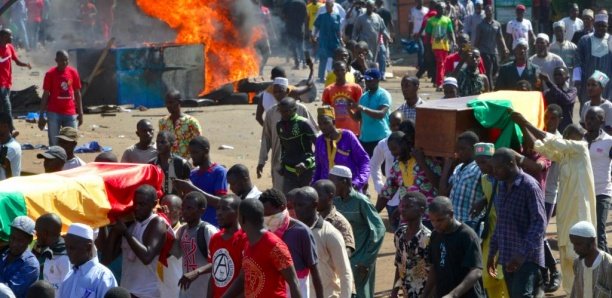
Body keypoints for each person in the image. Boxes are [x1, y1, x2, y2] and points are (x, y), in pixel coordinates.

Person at [513, 111, 598, 293]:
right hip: (566, 211)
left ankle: (587, 290)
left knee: (579, 252)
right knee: (568, 253)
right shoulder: (565, 155)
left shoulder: (581, 148)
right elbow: (539, 146)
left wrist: (526, 122)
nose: (580, 138)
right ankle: (574, 291)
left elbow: (550, 139)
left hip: (580, 211)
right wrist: (521, 125)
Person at [487, 148, 546, 297]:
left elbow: (539, 223)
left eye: (498, 168)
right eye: (493, 168)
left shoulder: (529, 186)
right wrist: (492, 253)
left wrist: (521, 254)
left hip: (527, 258)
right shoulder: (501, 185)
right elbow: (501, 223)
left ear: (511, 163)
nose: (494, 172)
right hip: (507, 255)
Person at [221, 198, 302, 298]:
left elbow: (294, 282)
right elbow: (242, 278)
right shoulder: (248, 243)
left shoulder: (274, 245)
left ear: (242, 219)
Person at [330, 165, 385, 297]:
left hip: (360, 259)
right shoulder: (335, 202)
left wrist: (366, 260)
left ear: (344, 181)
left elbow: (379, 229)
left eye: (333, 181)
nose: (331, 186)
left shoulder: (361, 201)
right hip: (343, 257)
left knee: (361, 293)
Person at [258, 188, 323, 297]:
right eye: (264, 215)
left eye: (270, 215)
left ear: (283, 208)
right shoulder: (262, 231)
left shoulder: (301, 231)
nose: (267, 219)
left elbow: (315, 271)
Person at [178, 196, 247, 298]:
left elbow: (245, 279)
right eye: (218, 208)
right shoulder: (216, 239)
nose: (219, 213)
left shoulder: (246, 239)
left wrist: (197, 272)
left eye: (225, 209)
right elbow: (214, 273)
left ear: (238, 212)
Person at [108, 184, 169, 298]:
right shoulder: (131, 224)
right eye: (135, 203)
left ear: (154, 204)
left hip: (146, 294)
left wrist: (125, 233)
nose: (137, 207)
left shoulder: (157, 223)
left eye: (142, 204)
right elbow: (107, 259)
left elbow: (147, 256)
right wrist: (114, 230)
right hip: (126, 292)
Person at [293, 187, 353, 298]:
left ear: (315, 205)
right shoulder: (292, 232)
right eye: (295, 205)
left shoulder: (330, 234)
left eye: (301, 205)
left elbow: (345, 273)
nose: (297, 209)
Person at [258, 79, 317, 191]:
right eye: (275, 92)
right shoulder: (271, 113)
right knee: (282, 195)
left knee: (305, 196)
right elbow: (266, 138)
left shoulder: (301, 111)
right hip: (281, 164)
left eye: (280, 91)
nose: (277, 94)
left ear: (287, 91)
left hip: (304, 166)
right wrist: (261, 161)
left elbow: (316, 136)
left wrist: (309, 161)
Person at [422, 196, 484, 298]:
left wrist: (453, 294)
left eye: (440, 220)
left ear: (451, 214)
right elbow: (434, 267)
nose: (435, 224)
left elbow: (476, 271)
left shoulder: (466, 235)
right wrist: (425, 294)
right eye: (432, 220)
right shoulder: (435, 235)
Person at [378, 130, 441, 230]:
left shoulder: (427, 160)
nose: (393, 153)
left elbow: (439, 185)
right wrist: (373, 213)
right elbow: (386, 193)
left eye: (395, 149)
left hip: (429, 219)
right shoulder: (397, 166)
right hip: (407, 220)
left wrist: (422, 162)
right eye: (391, 150)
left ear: (405, 145)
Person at [470, 143, 508, 297]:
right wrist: (483, 200)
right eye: (478, 163)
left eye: (484, 162)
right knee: (488, 275)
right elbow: (491, 195)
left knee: (504, 277)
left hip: (507, 235)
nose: (481, 166)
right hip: (491, 235)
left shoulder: (506, 178)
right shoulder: (485, 179)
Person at [172, 192, 218, 297]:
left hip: (204, 291)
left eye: (189, 208)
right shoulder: (182, 230)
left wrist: (197, 272)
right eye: (183, 208)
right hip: (186, 291)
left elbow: (218, 261)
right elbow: (174, 254)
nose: (184, 211)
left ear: (201, 210)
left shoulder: (207, 230)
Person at [313, 106, 370, 190]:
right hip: (327, 190)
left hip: (349, 188)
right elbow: (318, 167)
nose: (322, 127)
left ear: (333, 122)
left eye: (326, 123)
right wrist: (314, 185)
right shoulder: (319, 141)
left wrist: (358, 182)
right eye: (320, 123)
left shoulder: (347, 136)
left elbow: (364, 161)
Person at [58, 223, 117, 298]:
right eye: (67, 247)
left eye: (72, 248)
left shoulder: (104, 277)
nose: (68, 252)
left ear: (88, 247)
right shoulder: (69, 276)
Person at [38, 51, 83, 146]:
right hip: (54, 113)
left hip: (70, 113)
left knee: (71, 142)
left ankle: (68, 161)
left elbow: (77, 93)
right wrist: (41, 115)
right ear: (56, 60)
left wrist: (80, 113)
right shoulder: (50, 74)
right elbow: (45, 95)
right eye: (61, 60)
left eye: (66, 60)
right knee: (54, 144)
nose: (64, 63)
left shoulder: (73, 72)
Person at [391, 192, 431, 298]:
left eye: (408, 206)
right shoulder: (399, 234)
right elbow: (399, 264)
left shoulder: (427, 238)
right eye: (402, 206)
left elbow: (433, 273)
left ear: (421, 210)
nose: (403, 209)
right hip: (406, 292)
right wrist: (394, 291)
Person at [583, 106, 612, 253]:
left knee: (599, 232)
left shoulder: (609, 142)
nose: (589, 121)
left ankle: (605, 271)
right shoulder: (580, 140)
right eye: (587, 118)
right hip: (583, 193)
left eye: (593, 118)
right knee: (585, 232)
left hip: (601, 193)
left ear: (601, 120)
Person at [440, 131, 483, 226]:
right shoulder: (458, 168)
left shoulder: (479, 168)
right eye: (458, 149)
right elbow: (443, 193)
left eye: (463, 149)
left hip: (471, 223)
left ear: (474, 148)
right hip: (454, 224)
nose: (459, 152)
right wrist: (446, 167)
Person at [276, 97, 317, 194]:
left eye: (286, 111)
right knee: (290, 201)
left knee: (308, 199)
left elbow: (320, 147)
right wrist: (283, 164)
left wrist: (307, 162)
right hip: (289, 172)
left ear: (294, 110)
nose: (283, 114)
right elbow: (283, 146)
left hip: (306, 171)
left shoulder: (304, 123)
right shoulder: (279, 125)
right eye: (281, 111)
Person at [187, 136, 227, 227]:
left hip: (212, 226)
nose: (192, 156)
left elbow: (221, 202)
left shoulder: (219, 172)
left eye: (195, 152)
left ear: (206, 151)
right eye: (191, 153)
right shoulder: (192, 174)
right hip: (194, 228)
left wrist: (191, 188)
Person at [575, 13, 611, 107]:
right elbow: (577, 61)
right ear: (594, 25)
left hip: (607, 84)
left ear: (607, 26)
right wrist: (577, 79)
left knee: (606, 109)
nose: (601, 28)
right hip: (587, 83)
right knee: (587, 109)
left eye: (604, 26)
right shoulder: (584, 40)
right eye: (599, 25)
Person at [352, 68, 391, 156]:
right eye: (365, 79)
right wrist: (348, 109)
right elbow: (358, 117)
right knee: (367, 168)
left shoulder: (383, 95)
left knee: (383, 168)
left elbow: (381, 114)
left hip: (381, 138)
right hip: (365, 139)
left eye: (369, 79)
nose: (367, 81)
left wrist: (362, 108)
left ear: (377, 80)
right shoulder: (363, 96)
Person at [312, 179, 356, 256]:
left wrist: (335, 258)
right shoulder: (310, 216)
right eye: (313, 196)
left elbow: (348, 248)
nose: (315, 200)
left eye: (318, 196)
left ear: (330, 197)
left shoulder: (340, 223)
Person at [568, 221, 612, 297]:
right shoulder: (577, 264)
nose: (575, 248)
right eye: (573, 244)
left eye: (578, 244)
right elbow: (575, 290)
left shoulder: (608, 265)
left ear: (592, 241)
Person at [0, 29, 30, 136]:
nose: (11, 38)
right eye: (9, 36)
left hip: (7, 82)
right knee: (7, 105)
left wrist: (26, 64)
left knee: (3, 106)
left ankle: (4, 130)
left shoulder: (10, 48)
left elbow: (16, 61)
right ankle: (12, 129)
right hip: (1, 84)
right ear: (3, 36)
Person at [0, 216, 39, 298]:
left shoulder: (31, 265)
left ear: (30, 240)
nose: (14, 243)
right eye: (12, 238)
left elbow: (8, 292)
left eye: (20, 240)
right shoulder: (4, 254)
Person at [322, 60, 363, 136]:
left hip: (353, 129)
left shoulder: (355, 88)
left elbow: (360, 108)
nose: (340, 72)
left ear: (347, 70)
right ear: (334, 72)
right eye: (337, 70)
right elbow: (325, 110)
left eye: (342, 70)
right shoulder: (328, 90)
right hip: (335, 130)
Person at [158, 89, 202, 159]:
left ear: (179, 102)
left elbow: (199, 145)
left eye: (171, 102)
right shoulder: (163, 122)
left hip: (187, 163)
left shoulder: (191, 122)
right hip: (169, 163)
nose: (168, 105)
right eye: (167, 103)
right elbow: (161, 143)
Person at [352, 0, 391, 76]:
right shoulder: (361, 18)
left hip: (375, 43)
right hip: (364, 44)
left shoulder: (377, 17)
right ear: (366, 7)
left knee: (373, 59)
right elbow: (355, 30)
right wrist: (354, 41)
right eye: (368, 6)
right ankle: (366, 74)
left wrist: (388, 37)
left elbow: (383, 29)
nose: (370, 8)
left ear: (374, 7)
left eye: (371, 6)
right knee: (367, 58)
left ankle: (374, 75)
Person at [33, 213, 70, 291]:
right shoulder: (40, 249)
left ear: (45, 233)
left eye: (37, 231)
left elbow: (68, 290)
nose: (36, 235)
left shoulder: (65, 258)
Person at [149, 131, 191, 195]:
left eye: (163, 142)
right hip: (157, 202)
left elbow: (189, 187)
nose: (159, 145)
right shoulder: (152, 164)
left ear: (172, 144)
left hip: (177, 202)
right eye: (157, 142)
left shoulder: (182, 163)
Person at [425, 1, 455, 88]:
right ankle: (440, 83)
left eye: (443, 8)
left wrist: (454, 41)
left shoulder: (447, 20)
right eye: (440, 8)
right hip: (435, 46)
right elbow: (428, 35)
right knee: (441, 63)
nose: (442, 10)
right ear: (436, 9)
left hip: (445, 46)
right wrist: (427, 48)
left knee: (443, 64)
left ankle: (438, 81)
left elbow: (451, 32)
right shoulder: (431, 21)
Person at [158, 194, 183, 298]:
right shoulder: (153, 229)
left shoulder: (183, 232)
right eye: (162, 208)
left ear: (180, 212)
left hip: (175, 290)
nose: (164, 213)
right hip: (155, 289)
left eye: (169, 209)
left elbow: (167, 253)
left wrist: (164, 222)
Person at [313, 0, 343, 82]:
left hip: (334, 41)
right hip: (324, 41)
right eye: (326, 6)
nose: (327, 8)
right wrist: (314, 35)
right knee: (323, 59)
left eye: (328, 6)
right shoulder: (322, 16)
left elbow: (338, 30)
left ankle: (334, 76)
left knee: (335, 59)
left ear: (332, 6)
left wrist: (341, 39)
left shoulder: (337, 16)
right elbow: (317, 27)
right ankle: (321, 77)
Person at [542, 66, 577, 132]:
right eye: (555, 75)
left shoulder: (572, 90)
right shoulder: (548, 92)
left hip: (565, 128)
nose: (557, 77)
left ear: (567, 77)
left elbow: (566, 99)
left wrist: (549, 83)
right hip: (551, 128)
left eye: (560, 75)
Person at [282, 0, 307, 69]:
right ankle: (305, 63)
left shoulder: (287, 3)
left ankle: (297, 64)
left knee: (293, 46)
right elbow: (306, 15)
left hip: (290, 27)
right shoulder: (302, 2)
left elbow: (283, 15)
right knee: (301, 46)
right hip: (300, 27)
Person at [407, 0, 428, 74]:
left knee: (425, 51)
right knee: (421, 50)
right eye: (419, 1)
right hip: (416, 33)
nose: (420, 2)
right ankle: (420, 66)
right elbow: (410, 23)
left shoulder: (426, 10)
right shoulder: (412, 10)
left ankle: (422, 66)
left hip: (425, 33)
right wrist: (410, 34)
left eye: (421, 1)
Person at [0, 112, 20, 181]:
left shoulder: (11, 147)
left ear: (5, 126)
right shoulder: (4, 143)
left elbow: (3, 161)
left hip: (7, 188)